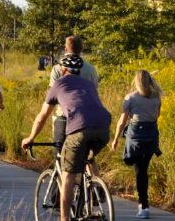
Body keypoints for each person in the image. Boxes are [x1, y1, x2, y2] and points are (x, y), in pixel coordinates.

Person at [22, 54, 111, 221]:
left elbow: (43, 116)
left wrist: (31, 137)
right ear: (79, 71)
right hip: (104, 128)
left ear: (63, 70)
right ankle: (94, 193)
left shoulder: (58, 84)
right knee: (88, 158)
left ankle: (64, 219)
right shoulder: (89, 84)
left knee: (68, 175)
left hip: (79, 129)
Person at [110, 70, 163, 219]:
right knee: (143, 170)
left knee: (139, 172)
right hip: (152, 135)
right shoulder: (156, 96)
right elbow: (157, 115)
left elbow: (122, 121)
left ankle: (144, 206)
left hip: (137, 137)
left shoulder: (130, 98)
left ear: (136, 81)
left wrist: (115, 139)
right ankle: (143, 203)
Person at [49, 36, 99, 155]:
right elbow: (94, 91)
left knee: (60, 153)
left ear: (65, 49)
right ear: (81, 49)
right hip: (88, 117)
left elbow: (52, 97)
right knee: (85, 155)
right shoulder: (91, 69)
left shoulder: (58, 69)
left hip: (65, 116)